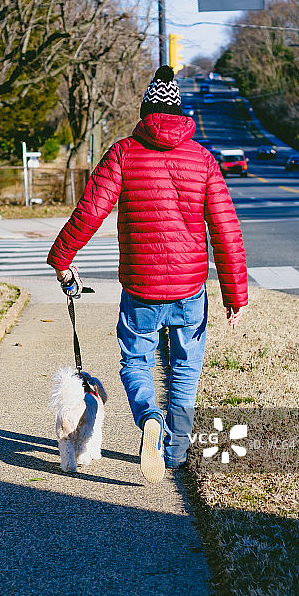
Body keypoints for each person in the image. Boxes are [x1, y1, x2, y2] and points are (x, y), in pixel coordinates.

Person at [47, 65, 248, 483]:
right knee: (185, 368)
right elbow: (226, 229)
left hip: (140, 290)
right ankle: (174, 452)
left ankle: (149, 417)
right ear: (179, 112)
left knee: (136, 362)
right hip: (190, 289)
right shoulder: (203, 159)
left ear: (145, 112)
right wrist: (235, 294)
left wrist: (62, 257)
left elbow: (91, 210)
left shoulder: (123, 153)